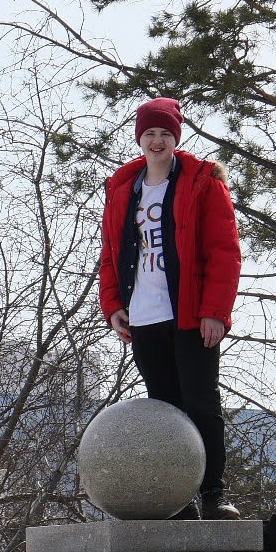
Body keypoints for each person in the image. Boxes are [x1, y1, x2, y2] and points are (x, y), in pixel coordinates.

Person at [98, 97, 244, 520]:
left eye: (165, 133)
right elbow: (110, 253)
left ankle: (214, 494)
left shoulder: (203, 182)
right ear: (139, 139)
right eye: (150, 133)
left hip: (191, 314)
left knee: (201, 402)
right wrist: (113, 305)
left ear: (176, 138)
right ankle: (177, 501)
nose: (157, 141)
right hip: (143, 316)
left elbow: (225, 252)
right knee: (164, 409)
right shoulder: (124, 188)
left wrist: (215, 311)